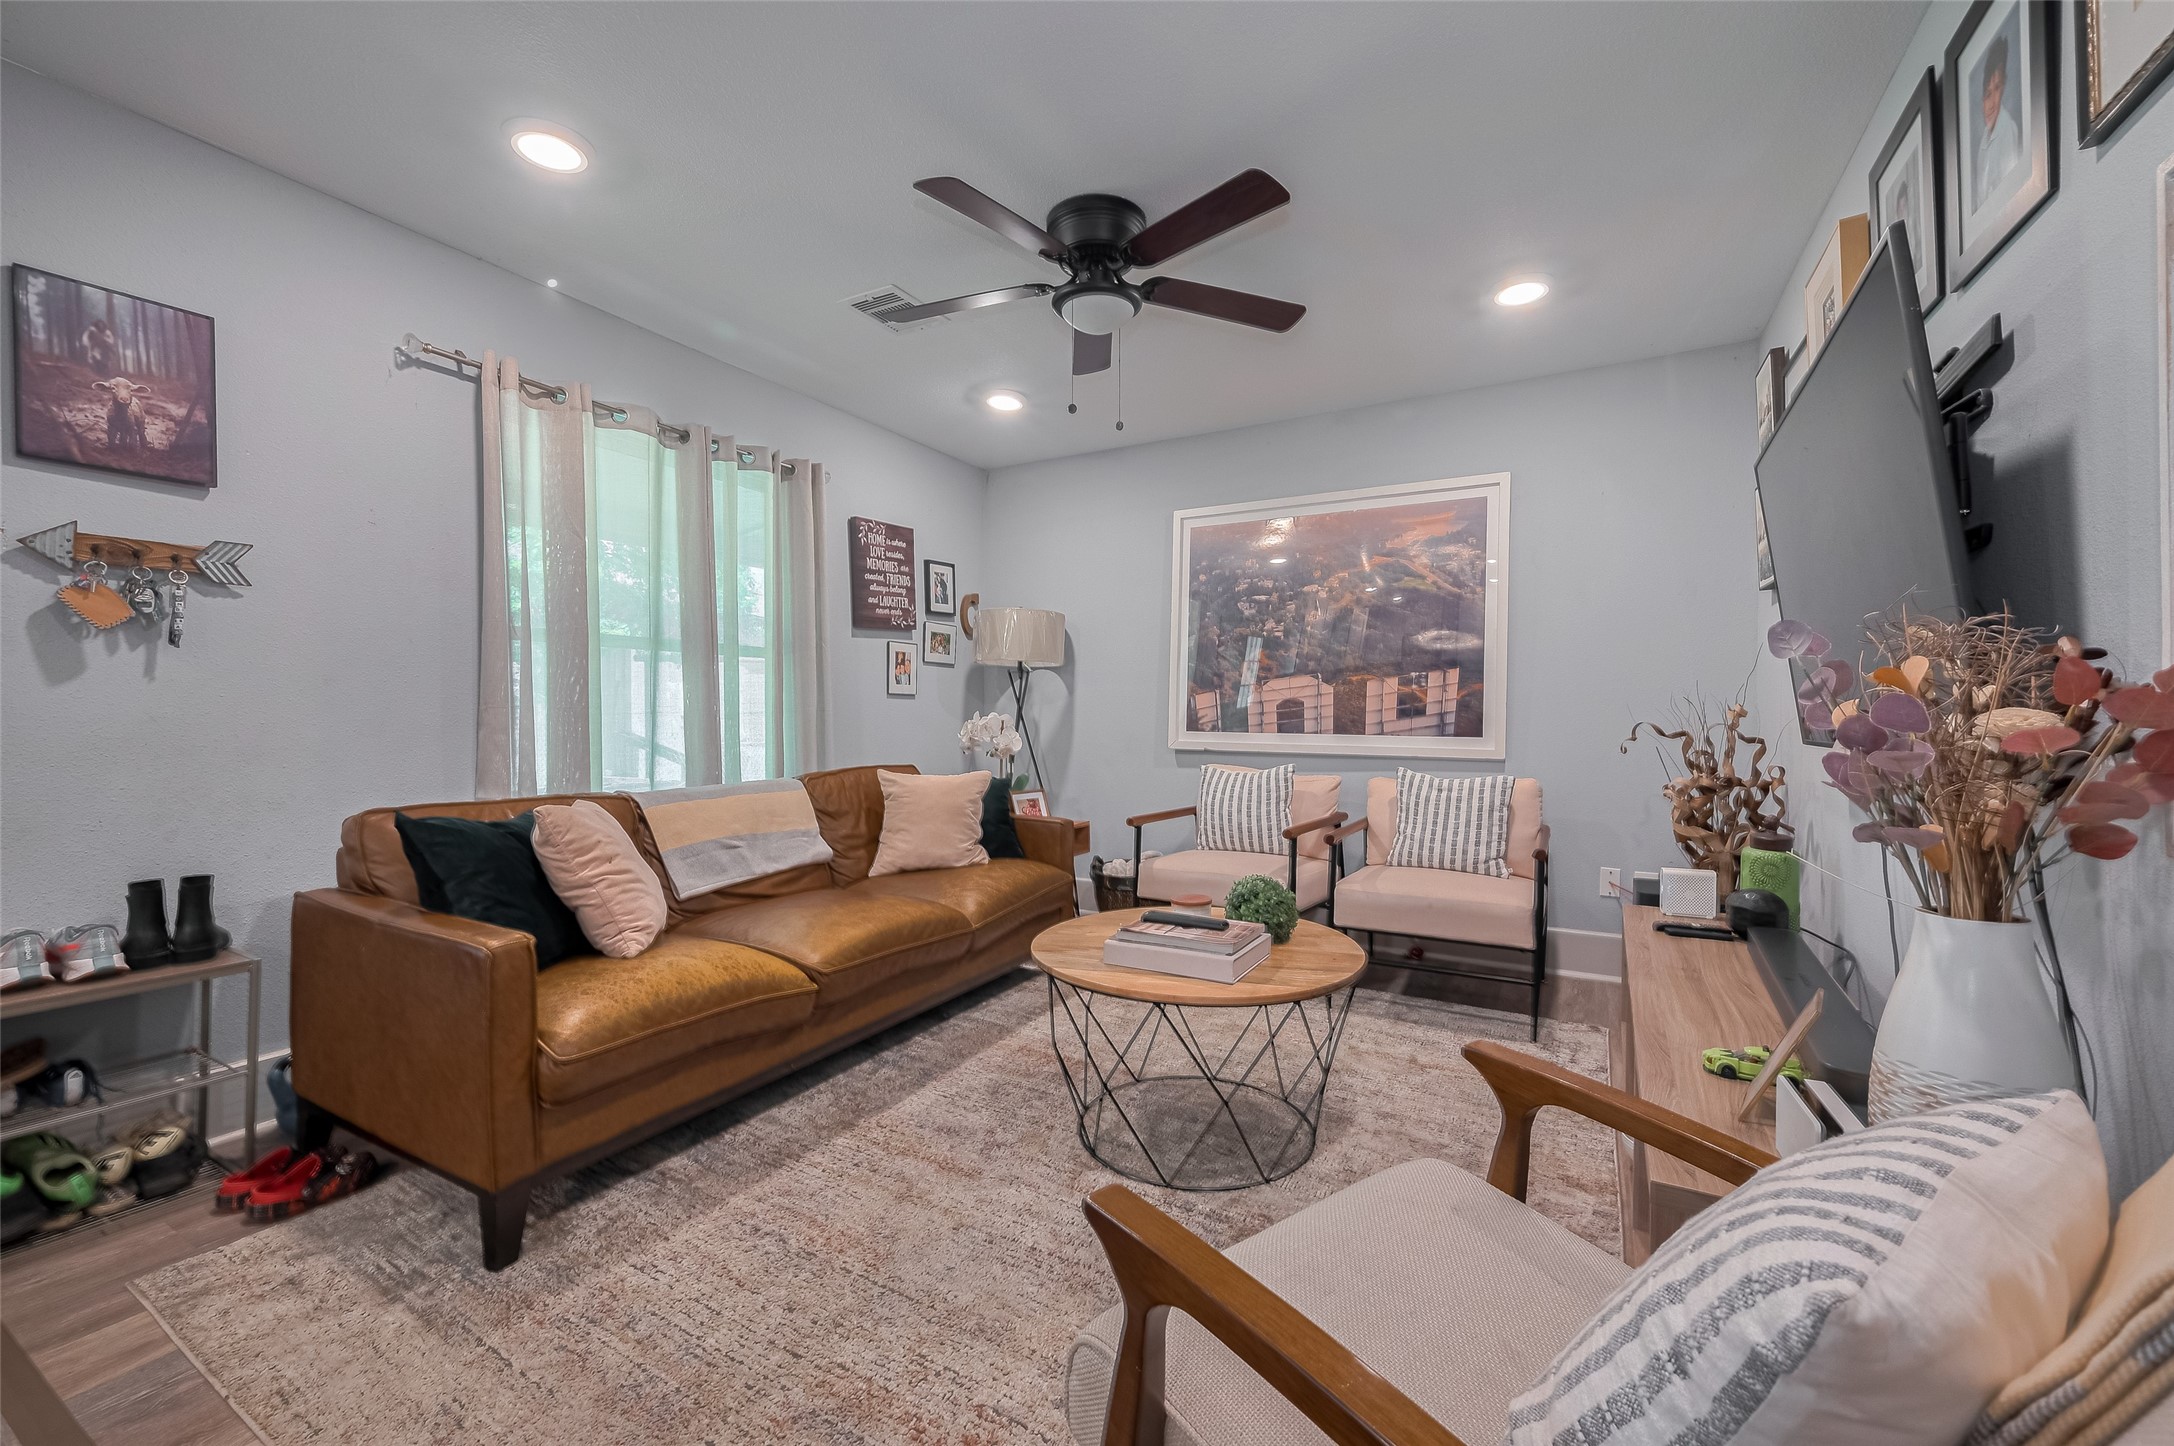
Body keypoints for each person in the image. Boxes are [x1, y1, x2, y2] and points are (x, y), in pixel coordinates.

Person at [1972, 31, 2022, 209]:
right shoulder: (1983, 142)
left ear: (2004, 88)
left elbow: (2010, 200)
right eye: (1987, 94)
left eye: (1997, 89)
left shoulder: (2008, 129)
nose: (1991, 104)